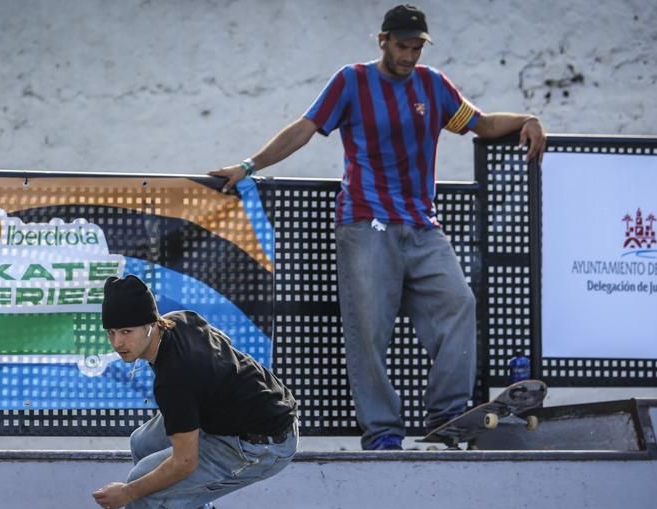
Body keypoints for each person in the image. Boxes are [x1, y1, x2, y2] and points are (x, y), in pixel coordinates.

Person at [209, 4, 547, 450]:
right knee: (368, 332)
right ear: (383, 40)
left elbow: (481, 125)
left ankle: (448, 410)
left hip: (423, 226)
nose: (410, 56)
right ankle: (383, 430)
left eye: (417, 48)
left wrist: (527, 119)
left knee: (459, 303)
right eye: (403, 46)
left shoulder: (434, 85)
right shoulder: (351, 81)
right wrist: (250, 165)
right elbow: (306, 128)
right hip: (367, 225)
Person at [89, 275, 298, 509]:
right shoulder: (180, 321)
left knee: (148, 487)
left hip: (261, 445)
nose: (117, 343)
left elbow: (185, 463)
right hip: (240, 416)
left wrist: (128, 493)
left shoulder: (176, 378)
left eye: (126, 332)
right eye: (111, 333)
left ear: (151, 325)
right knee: (143, 444)